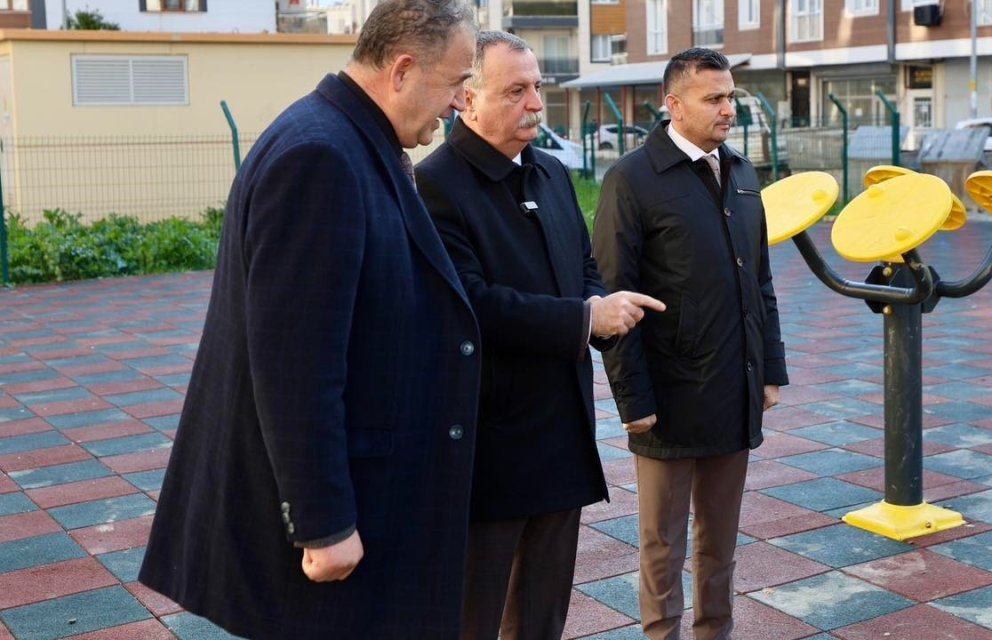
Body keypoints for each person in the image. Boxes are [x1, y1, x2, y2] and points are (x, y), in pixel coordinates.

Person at [138, 1, 482, 637]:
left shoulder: (348, 139)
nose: (463, 102)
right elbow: (296, 363)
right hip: (339, 526)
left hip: (370, 492)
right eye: (459, 81)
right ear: (403, 70)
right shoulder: (321, 156)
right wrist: (324, 524)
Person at [414, 31, 665, 639]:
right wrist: (584, 319)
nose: (534, 104)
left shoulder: (550, 173)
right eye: (516, 91)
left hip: (561, 431)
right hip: (487, 443)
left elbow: (583, 265)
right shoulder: (434, 184)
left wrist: (598, 304)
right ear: (467, 100)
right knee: (473, 616)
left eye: (538, 88)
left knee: (543, 613)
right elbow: (468, 303)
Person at [592, 47, 789, 639]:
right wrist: (634, 401)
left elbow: (759, 281)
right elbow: (613, 297)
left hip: (734, 388)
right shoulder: (632, 179)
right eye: (714, 99)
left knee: (720, 543)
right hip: (667, 399)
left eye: (731, 97)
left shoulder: (743, 174)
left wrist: (769, 369)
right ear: (674, 105)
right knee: (662, 543)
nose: (728, 109)